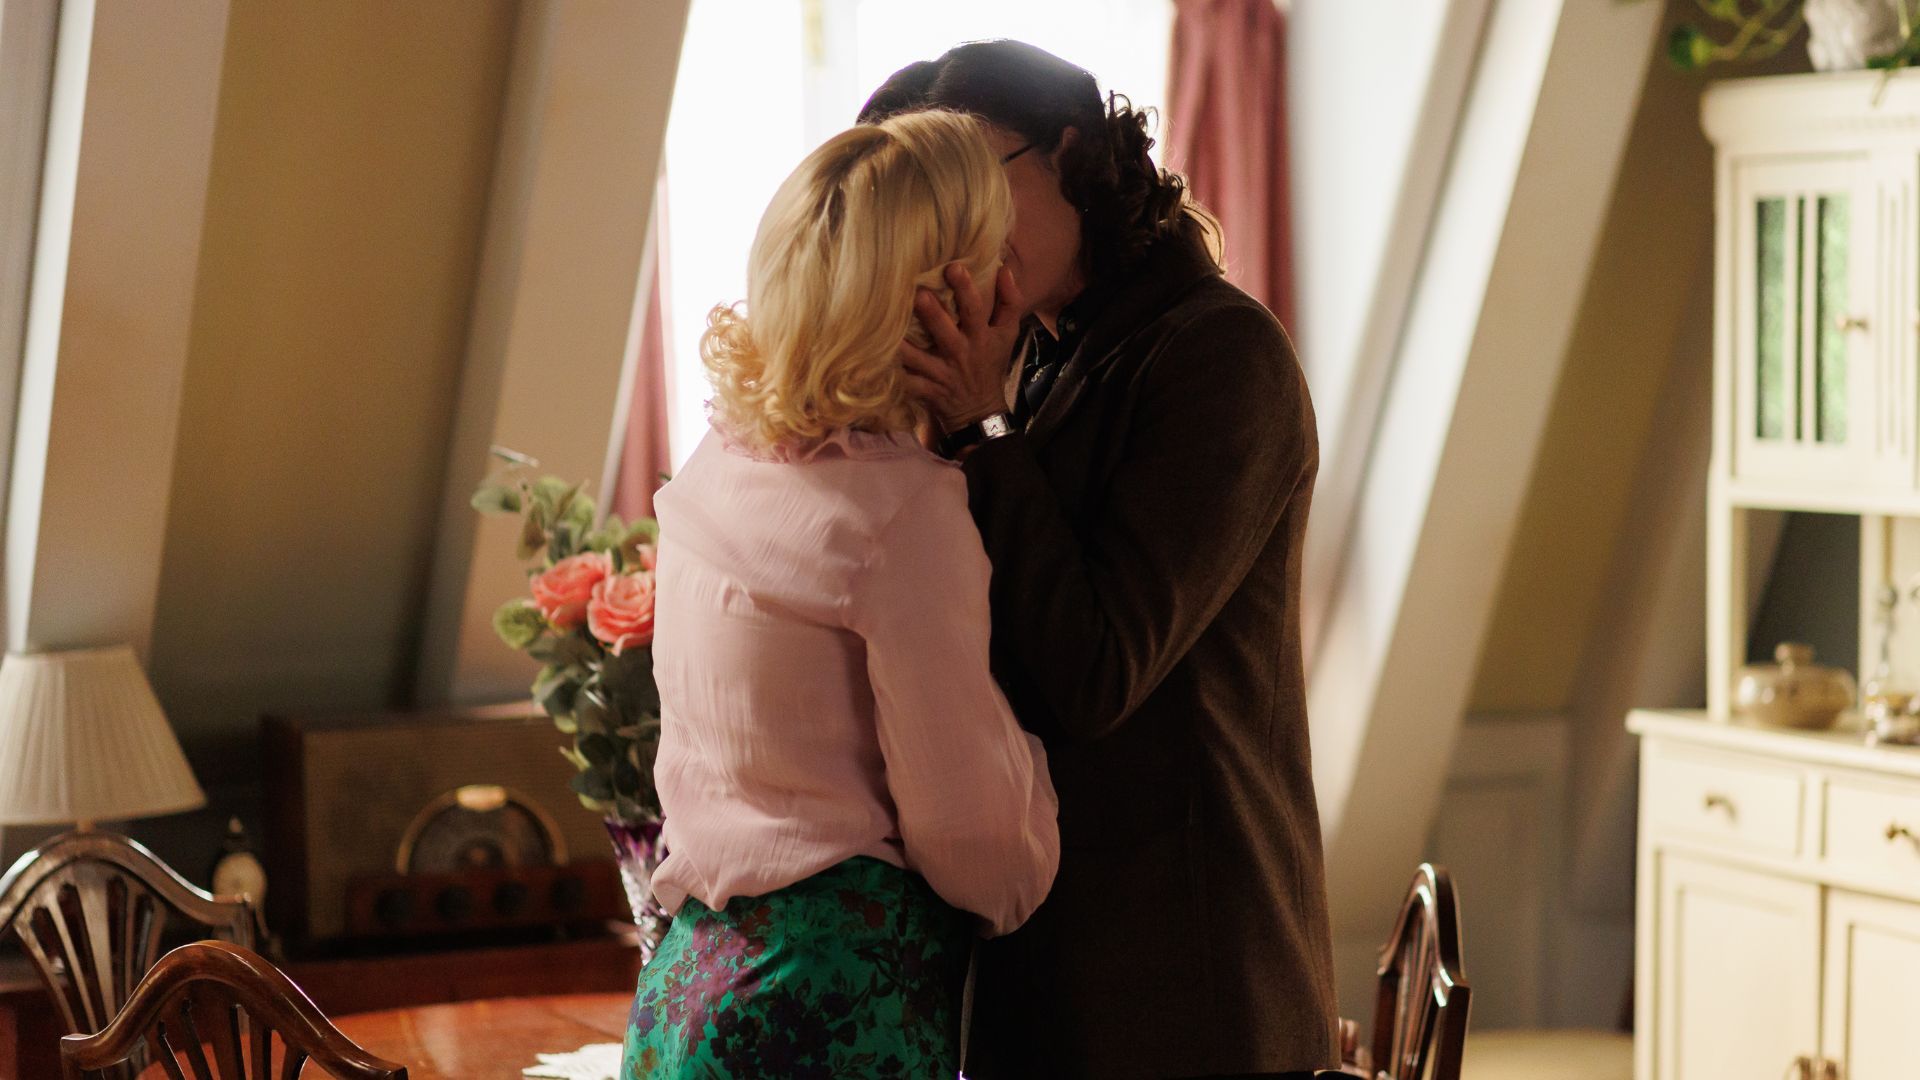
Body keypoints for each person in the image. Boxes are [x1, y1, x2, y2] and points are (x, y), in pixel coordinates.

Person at [860, 40, 1337, 1079]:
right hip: (1052, 962)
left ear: (1073, 154)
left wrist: (981, 427)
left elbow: (1095, 673)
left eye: (977, 182)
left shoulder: (1222, 353)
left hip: (1183, 986)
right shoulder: (1041, 350)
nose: (958, 235)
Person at [622, 109, 1060, 1080]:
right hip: (827, 1005)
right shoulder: (903, 514)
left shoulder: (717, 463)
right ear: (951, 297)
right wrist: (1033, 778)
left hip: (687, 987)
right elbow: (976, 844)